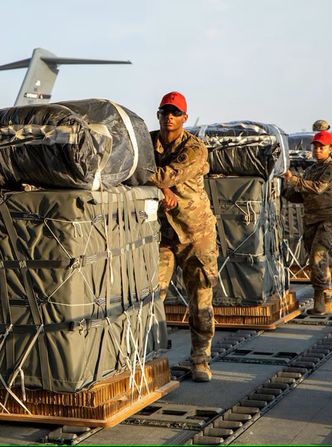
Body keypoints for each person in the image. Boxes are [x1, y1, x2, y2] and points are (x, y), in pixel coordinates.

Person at [149, 91, 218, 382]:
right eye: (165, 111)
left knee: (200, 300)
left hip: (195, 233)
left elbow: (165, 175)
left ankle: (200, 359)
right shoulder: (148, 142)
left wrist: (161, 184)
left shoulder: (194, 148)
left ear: (184, 118)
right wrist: (162, 189)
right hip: (163, 235)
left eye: (175, 112)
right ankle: (150, 358)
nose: (169, 117)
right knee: (152, 295)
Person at [282, 130, 332, 315]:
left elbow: (318, 188)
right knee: (316, 261)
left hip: (330, 220)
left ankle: (321, 298)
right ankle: (326, 299)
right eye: (315, 146)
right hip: (311, 221)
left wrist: (294, 179)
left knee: (318, 255)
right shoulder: (310, 170)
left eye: (322, 147)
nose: (317, 150)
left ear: (330, 149)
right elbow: (300, 196)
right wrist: (283, 187)